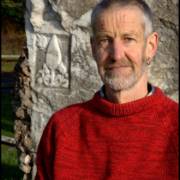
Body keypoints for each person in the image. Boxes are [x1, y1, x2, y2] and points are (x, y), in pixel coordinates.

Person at [35, 0, 178, 179]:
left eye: (128, 39)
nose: (116, 55)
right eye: (105, 40)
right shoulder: (62, 129)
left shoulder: (175, 127)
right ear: (93, 48)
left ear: (150, 46)